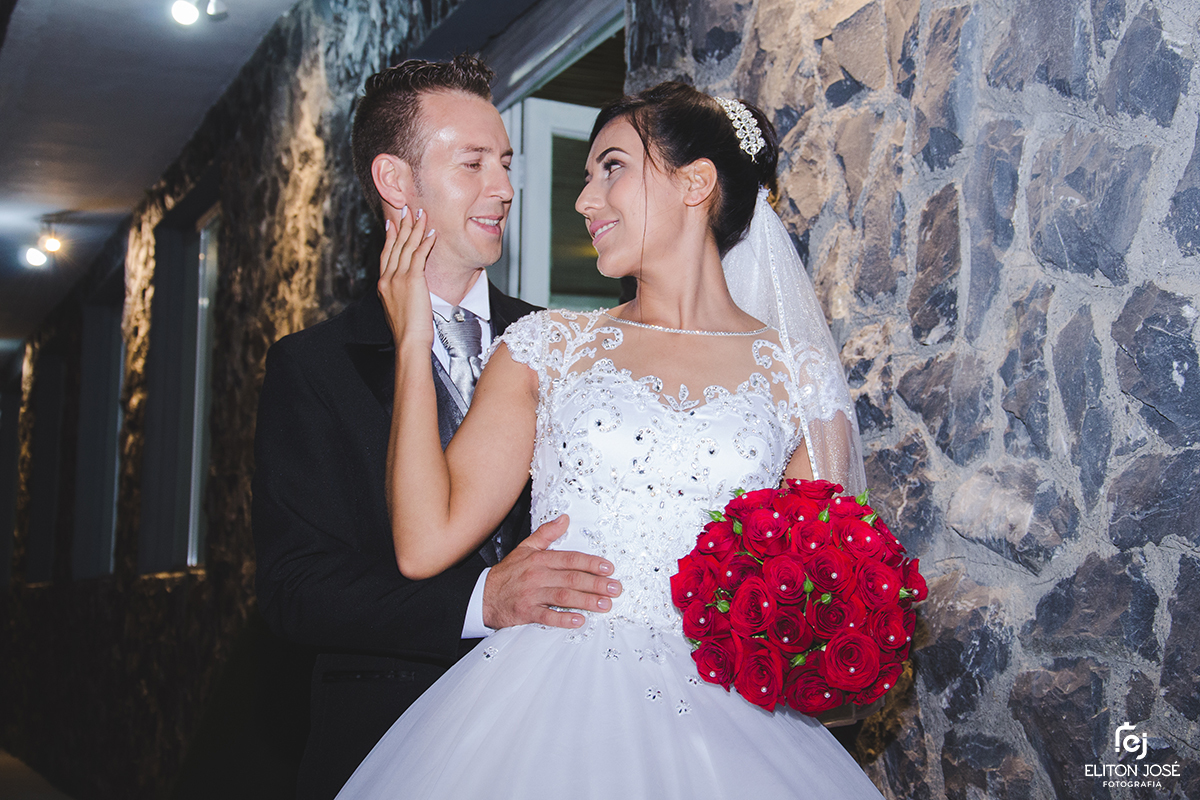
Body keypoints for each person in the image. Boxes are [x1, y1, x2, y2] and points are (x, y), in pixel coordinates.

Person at [335, 82, 884, 798]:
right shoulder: (546, 348)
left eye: (612, 168)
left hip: (727, 728)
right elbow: (424, 541)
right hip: (545, 705)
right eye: (588, 176)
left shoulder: (800, 378)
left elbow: (819, 590)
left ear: (696, 183)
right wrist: (411, 339)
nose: (585, 201)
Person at [251, 56, 623, 800]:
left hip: (560, 732)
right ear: (396, 180)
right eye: (473, 163)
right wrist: (480, 601)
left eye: (506, 163)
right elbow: (296, 590)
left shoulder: (564, 345)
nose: (504, 188)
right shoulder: (313, 367)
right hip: (387, 736)